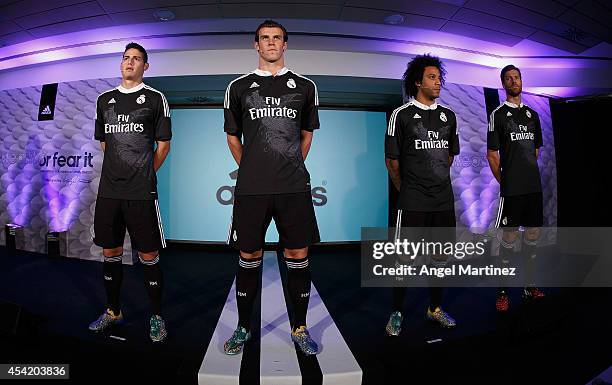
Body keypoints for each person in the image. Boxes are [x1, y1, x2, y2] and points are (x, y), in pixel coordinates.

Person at [223, 20, 320, 355]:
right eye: (265, 38)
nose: (271, 43)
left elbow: (307, 134)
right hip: (252, 188)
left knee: (297, 254)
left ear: (285, 44)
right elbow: (232, 136)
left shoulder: (306, 86)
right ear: (256, 45)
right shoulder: (237, 86)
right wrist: (251, 167)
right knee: (249, 255)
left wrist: (291, 163)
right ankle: (243, 327)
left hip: (293, 187)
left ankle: (300, 327)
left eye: (277, 38)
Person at [88, 42, 172, 342]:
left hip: (141, 193)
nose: (129, 62)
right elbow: (105, 144)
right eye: (126, 58)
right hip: (109, 192)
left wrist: (146, 173)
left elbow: (163, 145)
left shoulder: (155, 98)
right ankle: (113, 311)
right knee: (110, 252)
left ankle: (156, 316)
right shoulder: (104, 99)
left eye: (136, 59)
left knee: (148, 255)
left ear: (145, 66)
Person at [384, 54, 460, 336]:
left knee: (440, 257)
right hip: (412, 199)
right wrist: (409, 191)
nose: (438, 81)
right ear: (418, 81)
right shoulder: (400, 115)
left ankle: (434, 308)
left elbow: (449, 156)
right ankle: (397, 312)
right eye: (432, 77)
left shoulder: (449, 115)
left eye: (439, 77)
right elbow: (392, 161)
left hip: (443, 200)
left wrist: (434, 183)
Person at [487, 64, 545, 312]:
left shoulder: (533, 115)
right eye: (509, 78)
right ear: (503, 84)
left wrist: (526, 173)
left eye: (517, 77)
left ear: (521, 81)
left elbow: (535, 150)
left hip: (533, 188)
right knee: (509, 239)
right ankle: (502, 291)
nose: (514, 81)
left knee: (532, 236)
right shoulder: (498, 115)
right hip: (512, 191)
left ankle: (529, 286)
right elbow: (492, 154)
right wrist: (507, 181)